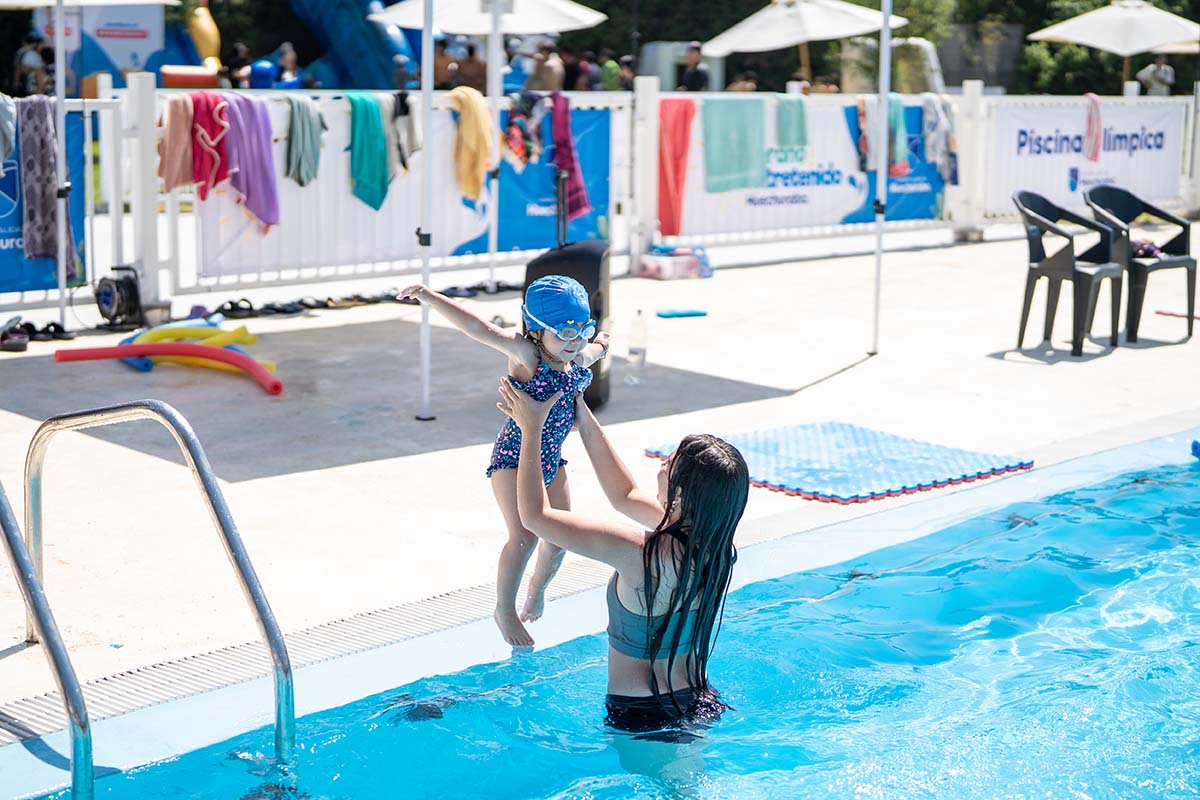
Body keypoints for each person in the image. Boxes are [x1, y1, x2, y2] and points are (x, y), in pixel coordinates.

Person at [495, 379, 749, 735]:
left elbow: (535, 518)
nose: (661, 464)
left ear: (678, 496)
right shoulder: (717, 549)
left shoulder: (638, 552)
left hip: (643, 715)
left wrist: (531, 427)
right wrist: (582, 418)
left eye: (669, 463)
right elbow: (624, 494)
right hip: (698, 700)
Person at [400, 277, 612, 647]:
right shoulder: (525, 355)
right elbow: (476, 327)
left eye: (582, 331)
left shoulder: (576, 355)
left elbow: (597, 348)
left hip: (551, 459)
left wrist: (601, 340)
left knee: (560, 538)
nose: (574, 342)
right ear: (534, 329)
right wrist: (430, 296)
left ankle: (537, 587)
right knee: (524, 537)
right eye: (565, 333)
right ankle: (504, 608)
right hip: (513, 458)